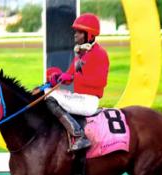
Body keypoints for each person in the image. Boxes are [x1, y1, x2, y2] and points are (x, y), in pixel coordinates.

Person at [37, 13, 110, 152]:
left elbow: (100, 82)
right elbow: (69, 76)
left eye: (79, 32)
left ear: (90, 35)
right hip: (78, 98)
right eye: (75, 31)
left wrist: (74, 77)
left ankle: (79, 135)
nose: (75, 35)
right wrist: (56, 77)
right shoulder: (81, 54)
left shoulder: (100, 54)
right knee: (44, 92)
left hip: (89, 102)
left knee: (50, 97)